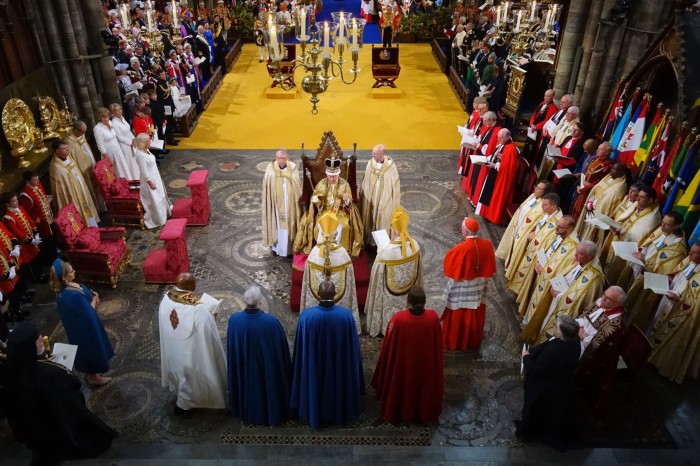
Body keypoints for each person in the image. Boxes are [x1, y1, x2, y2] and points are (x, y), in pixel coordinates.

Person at [0, 323, 117, 465]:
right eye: (38, 340)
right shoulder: (44, 377)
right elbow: (68, 402)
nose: (43, 340)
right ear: (29, 348)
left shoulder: (16, 368)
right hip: (58, 422)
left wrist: (43, 361)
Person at [290, 280, 364, 429]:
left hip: (314, 365)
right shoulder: (346, 316)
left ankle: (313, 409)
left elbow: (300, 349)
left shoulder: (306, 317)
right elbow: (352, 349)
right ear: (335, 295)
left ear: (317, 295)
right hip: (338, 366)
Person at [372, 285, 444, 424]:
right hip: (425, 367)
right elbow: (438, 346)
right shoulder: (433, 317)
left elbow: (388, 346)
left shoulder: (399, 319)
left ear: (408, 300)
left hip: (403, 367)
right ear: (425, 301)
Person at [158, 272, 227, 413]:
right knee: (194, 379)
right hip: (192, 350)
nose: (196, 285)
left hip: (174, 347)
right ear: (189, 286)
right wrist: (211, 317)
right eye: (195, 283)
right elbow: (208, 331)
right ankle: (189, 403)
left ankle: (182, 398)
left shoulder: (166, 298)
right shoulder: (198, 309)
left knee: (180, 373)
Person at [226, 285, 291, 426]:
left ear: (245, 301)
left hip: (245, 367)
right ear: (260, 302)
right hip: (265, 368)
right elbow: (281, 351)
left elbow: (232, 349)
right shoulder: (271, 322)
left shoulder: (234, 320)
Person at [521, 240, 604, 345]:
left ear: (590, 257)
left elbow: (578, 300)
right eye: (576, 251)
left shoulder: (594, 278)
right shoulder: (580, 262)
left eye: (580, 254)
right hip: (555, 298)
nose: (575, 255)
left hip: (563, 306)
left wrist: (559, 295)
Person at [516, 314, 580, 450]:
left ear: (561, 333)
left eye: (555, 326)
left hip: (544, 387)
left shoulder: (554, 350)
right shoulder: (574, 341)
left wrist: (526, 357)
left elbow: (536, 369)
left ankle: (528, 431)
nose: (553, 327)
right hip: (560, 383)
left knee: (534, 408)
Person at [49, 258, 113, 387]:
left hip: (77, 326)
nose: (75, 272)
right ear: (65, 278)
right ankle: (93, 377)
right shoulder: (73, 296)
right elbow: (89, 311)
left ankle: (91, 373)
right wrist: (95, 299)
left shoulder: (62, 289)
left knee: (86, 348)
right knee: (92, 348)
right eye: (72, 271)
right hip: (86, 327)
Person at [646, 242, 700, 383]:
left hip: (683, 314)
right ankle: (647, 353)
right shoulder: (689, 260)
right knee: (656, 323)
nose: (690, 254)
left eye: (695, 253)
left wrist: (680, 300)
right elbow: (677, 274)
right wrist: (669, 279)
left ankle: (661, 364)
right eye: (691, 250)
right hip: (669, 299)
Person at [365, 207, 423, 337]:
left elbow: (376, 280)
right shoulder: (415, 246)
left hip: (389, 297)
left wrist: (380, 252)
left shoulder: (386, 253)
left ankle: (383, 325)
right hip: (407, 293)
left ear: (394, 230)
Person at [623, 212, 687, 329]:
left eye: (667, 224)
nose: (662, 226)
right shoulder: (662, 230)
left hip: (648, 283)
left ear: (676, 226)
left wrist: (645, 261)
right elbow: (647, 245)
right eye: (662, 222)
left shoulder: (677, 248)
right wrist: (641, 252)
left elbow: (664, 274)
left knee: (636, 308)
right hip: (638, 270)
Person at [441, 217, 497, 350]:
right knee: (475, 310)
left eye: (462, 228)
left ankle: (454, 341)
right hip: (479, 287)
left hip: (462, 289)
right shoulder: (488, 244)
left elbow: (450, 270)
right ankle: (472, 340)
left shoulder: (460, 249)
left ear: (465, 233)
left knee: (459, 313)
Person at [300, 212, 360, 332]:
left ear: (321, 233)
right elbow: (350, 284)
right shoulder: (343, 254)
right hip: (339, 309)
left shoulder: (314, 254)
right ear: (336, 233)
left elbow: (307, 283)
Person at [294, 156, 364, 258]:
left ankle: (340, 251)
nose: (332, 179)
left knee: (344, 227)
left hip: (340, 213)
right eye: (330, 176)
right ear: (327, 174)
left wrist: (347, 201)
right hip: (325, 212)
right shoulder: (321, 184)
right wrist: (316, 201)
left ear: (338, 174)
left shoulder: (345, 185)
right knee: (318, 227)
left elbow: (349, 205)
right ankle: (322, 251)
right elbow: (317, 204)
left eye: (334, 176)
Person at [575, 286, 626, 417]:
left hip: (591, 355)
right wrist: (579, 327)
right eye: (604, 294)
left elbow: (595, 346)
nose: (603, 299)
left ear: (617, 304)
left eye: (608, 299)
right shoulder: (600, 303)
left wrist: (582, 335)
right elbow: (583, 317)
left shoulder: (615, 324)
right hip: (579, 338)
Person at [515, 215, 578, 317]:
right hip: (540, 269)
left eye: (560, 227)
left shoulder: (573, 248)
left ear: (570, 229)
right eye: (557, 225)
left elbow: (563, 270)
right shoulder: (560, 234)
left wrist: (544, 270)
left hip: (547, 279)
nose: (556, 229)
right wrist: (539, 260)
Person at [505, 193, 563, 300]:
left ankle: (522, 296)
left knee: (529, 279)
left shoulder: (557, 223)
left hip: (538, 255)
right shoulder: (547, 213)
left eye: (545, 205)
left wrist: (534, 239)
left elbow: (549, 242)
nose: (542, 207)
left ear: (554, 207)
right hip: (531, 248)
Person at [600, 184, 661, 271]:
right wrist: (616, 225)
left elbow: (639, 237)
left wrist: (621, 232)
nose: (637, 199)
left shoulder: (653, 217)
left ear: (650, 200)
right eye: (638, 196)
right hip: (618, 238)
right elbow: (624, 217)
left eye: (641, 197)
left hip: (627, 247)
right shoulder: (637, 205)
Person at [496, 181, 552, 271]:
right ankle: (508, 262)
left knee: (517, 249)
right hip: (518, 224)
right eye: (536, 187)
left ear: (545, 193)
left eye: (539, 189)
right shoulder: (533, 196)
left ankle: (511, 267)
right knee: (512, 244)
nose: (536, 189)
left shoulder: (542, 206)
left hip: (525, 231)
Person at [574, 161, 630, 248]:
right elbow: (595, 190)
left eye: (615, 170)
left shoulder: (620, 187)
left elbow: (607, 202)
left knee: (589, 236)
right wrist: (590, 201)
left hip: (598, 212)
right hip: (590, 208)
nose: (612, 171)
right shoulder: (608, 177)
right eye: (612, 169)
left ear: (622, 173)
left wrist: (594, 205)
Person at [262, 148, 302, 257]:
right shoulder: (270, 168)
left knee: (290, 223)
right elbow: (268, 184)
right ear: (276, 158)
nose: (281, 161)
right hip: (276, 203)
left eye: (283, 158)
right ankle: (276, 248)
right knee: (277, 224)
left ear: (287, 157)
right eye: (279, 158)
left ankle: (289, 248)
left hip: (290, 203)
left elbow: (297, 183)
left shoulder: (292, 167)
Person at [49, 140, 100, 227]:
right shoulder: (57, 168)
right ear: (57, 151)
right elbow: (62, 190)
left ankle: (92, 226)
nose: (67, 150)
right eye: (64, 149)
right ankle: (83, 227)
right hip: (73, 194)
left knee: (87, 205)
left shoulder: (68, 157)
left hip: (81, 188)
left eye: (67, 148)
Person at [475, 128, 520, 225]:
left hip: (500, 177)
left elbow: (508, 168)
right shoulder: (502, 144)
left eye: (500, 138)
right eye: (498, 137)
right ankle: (487, 213)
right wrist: (485, 160)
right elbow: (495, 155)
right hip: (493, 173)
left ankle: (493, 216)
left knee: (495, 197)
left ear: (508, 137)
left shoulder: (511, 150)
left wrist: (495, 165)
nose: (498, 140)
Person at [359, 144, 401, 246]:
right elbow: (365, 181)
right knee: (370, 216)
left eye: (375, 153)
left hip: (384, 198)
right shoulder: (370, 163)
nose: (372, 155)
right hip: (371, 197)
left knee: (383, 217)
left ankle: (381, 243)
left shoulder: (391, 167)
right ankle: (369, 240)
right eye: (372, 153)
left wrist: (391, 197)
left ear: (382, 154)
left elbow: (394, 185)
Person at [133, 133, 172, 229]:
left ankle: (164, 214)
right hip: (149, 181)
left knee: (160, 195)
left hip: (155, 176)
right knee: (155, 199)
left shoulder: (146, 151)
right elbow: (144, 172)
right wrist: (150, 183)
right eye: (148, 141)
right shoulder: (141, 155)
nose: (150, 141)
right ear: (143, 143)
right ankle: (158, 219)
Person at [19, 170, 56, 268]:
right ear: (28, 181)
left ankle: (55, 255)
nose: (37, 181)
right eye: (34, 180)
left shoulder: (38, 185)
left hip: (48, 217)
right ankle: (51, 260)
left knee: (52, 237)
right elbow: (27, 212)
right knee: (47, 241)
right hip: (41, 223)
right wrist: (36, 219)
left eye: (37, 179)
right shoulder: (25, 195)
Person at [65, 120, 105, 211]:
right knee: (90, 188)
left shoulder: (80, 135)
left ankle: (102, 205)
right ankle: (96, 208)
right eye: (83, 132)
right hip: (83, 170)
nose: (84, 133)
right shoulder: (69, 143)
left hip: (91, 165)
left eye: (85, 131)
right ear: (76, 130)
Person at [465, 111, 501, 204]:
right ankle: (472, 197)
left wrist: (479, 146)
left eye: (485, 121)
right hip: (480, 156)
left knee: (479, 180)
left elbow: (489, 149)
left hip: (485, 159)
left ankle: (476, 200)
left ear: (491, 120)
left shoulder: (497, 131)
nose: (484, 123)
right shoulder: (490, 128)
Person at [94, 107, 131, 180]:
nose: (106, 119)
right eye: (103, 117)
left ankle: (128, 181)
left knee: (122, 165)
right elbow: (100, 145)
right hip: (109, 151)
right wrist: (105, 155)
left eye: (107, 116)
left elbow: (114, 135)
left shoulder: (110, 123)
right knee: (115, 169)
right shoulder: (97, 129)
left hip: (117, 148)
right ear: (99, 118)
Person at [525, 89, 558, 164]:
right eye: (545, 96)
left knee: (534, 150)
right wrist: (531, 123)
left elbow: (546, 121)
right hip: (532, 129)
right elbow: (534, 114)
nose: (545, 98)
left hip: (539, 132)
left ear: (552, 97)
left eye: (548, 96)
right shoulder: (542, 103)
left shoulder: (553, 108)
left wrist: (536, 127)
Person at [109, 103, 140, 180]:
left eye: (120, 109)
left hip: (131, 141)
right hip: (124, 145)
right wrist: (130, 143)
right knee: (129, 161)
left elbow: (128, 130)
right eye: (117, 110)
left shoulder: (122, 118)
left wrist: (134, 139)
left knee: (134, 160)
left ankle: (138, 176)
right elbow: (119, 137)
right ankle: (132, 178)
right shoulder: (114, 122)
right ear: (113, 112)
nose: (120, 111)